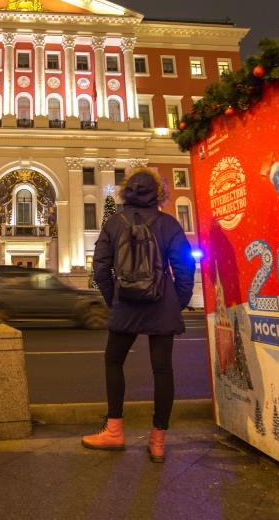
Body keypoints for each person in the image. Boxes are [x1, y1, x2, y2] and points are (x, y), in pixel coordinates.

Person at [81, 167, 195, 463]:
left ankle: (114, 430)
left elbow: (100, 266)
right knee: (163, 370)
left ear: (126, 192)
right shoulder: (169, 224)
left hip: (127, 304)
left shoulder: (114, 223)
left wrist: (113, 299)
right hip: (162, 304)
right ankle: (158, 440)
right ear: (159, 194)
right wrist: (176, 301)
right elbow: (185, 267)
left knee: (114, 360)